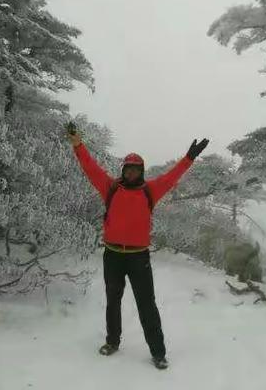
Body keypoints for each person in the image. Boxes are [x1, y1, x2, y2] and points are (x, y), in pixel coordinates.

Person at [67, 124, 209, 369]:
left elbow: (171, 177)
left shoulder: (150, 190)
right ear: (123, 170)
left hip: (138, 258)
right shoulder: (110, 187)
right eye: (128, 169)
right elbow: (90, 168)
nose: (131, 173)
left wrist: (189, 158)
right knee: (113, 300)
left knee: (146, 304)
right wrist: (78, 144)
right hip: (112, 255)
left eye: (136, 169)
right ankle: (112, 341)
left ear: (141, 171)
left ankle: (158, 352)